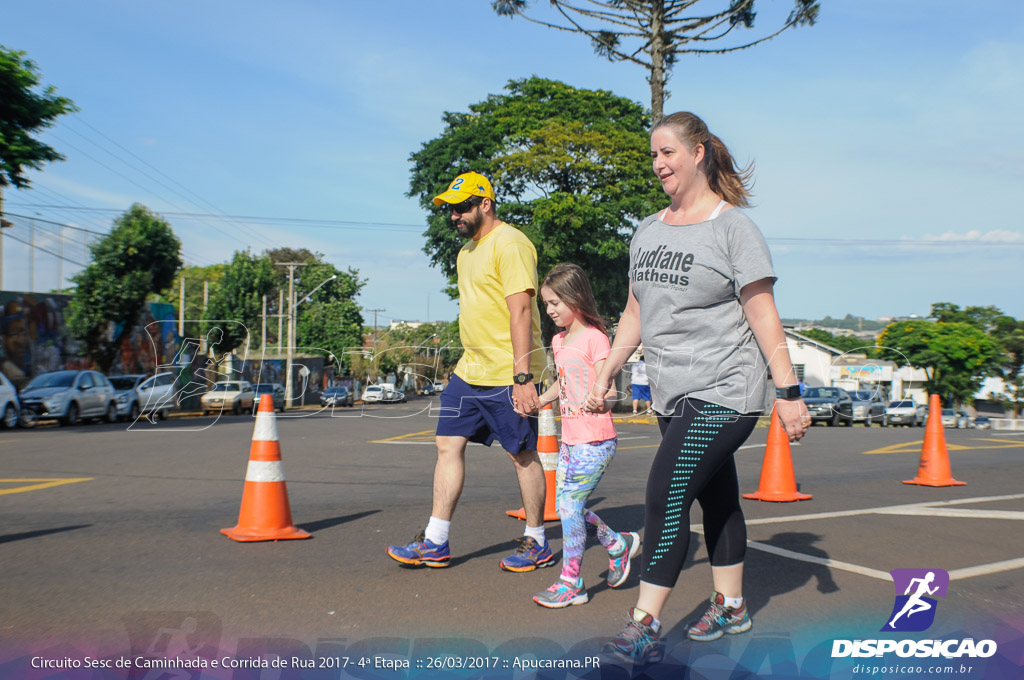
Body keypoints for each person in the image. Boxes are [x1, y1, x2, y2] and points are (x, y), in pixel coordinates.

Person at [585, 112, 810, 665]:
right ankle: (732, 605)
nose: (659, 164)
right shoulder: (648, 229)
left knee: (665, 494)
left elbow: (763, 314)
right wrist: (610, 364)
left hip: (727, 387)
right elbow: (636, 308)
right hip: (672, 388)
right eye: (654, 155)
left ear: (699, 152)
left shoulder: (734, 228)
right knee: (717, 496)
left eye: (668, 153)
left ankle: (644, 623)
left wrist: (788, 391)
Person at [387, 172, 551, 571]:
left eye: (462, 207)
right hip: (470, 370)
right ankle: (436, 540)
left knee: (522, 455)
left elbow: (522, 311)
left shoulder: (510, 243)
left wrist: (523, 376)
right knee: (447, 445)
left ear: (486, 204)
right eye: (450, 209)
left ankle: (537, 541)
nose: (454, 215)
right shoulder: (466, 253)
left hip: (508, 371)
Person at [529, 263, 641, 608]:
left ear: (575, 298)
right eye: (546, 305)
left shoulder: (595, 337)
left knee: (570, 506)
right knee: (568, 510)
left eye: (555, 303)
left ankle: (571, 582)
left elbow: (606, 389)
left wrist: (601, 399)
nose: (550, 312)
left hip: (596, 440)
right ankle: (617, 545)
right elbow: (563, 383)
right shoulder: (558, 341)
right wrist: (539, 400)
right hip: (570, 440)